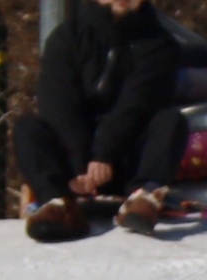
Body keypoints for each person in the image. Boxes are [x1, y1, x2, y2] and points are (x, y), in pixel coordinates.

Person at [19, 0, 183, 242]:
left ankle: (143, 196)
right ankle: (56, 203)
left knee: (171, 122)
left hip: (125, 158)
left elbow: (137, 104)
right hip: (74, 169)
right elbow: (58, 104)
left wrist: (105, 154)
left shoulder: (159, 44)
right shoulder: (67, 37)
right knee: (27, 128)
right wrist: (80, 165)